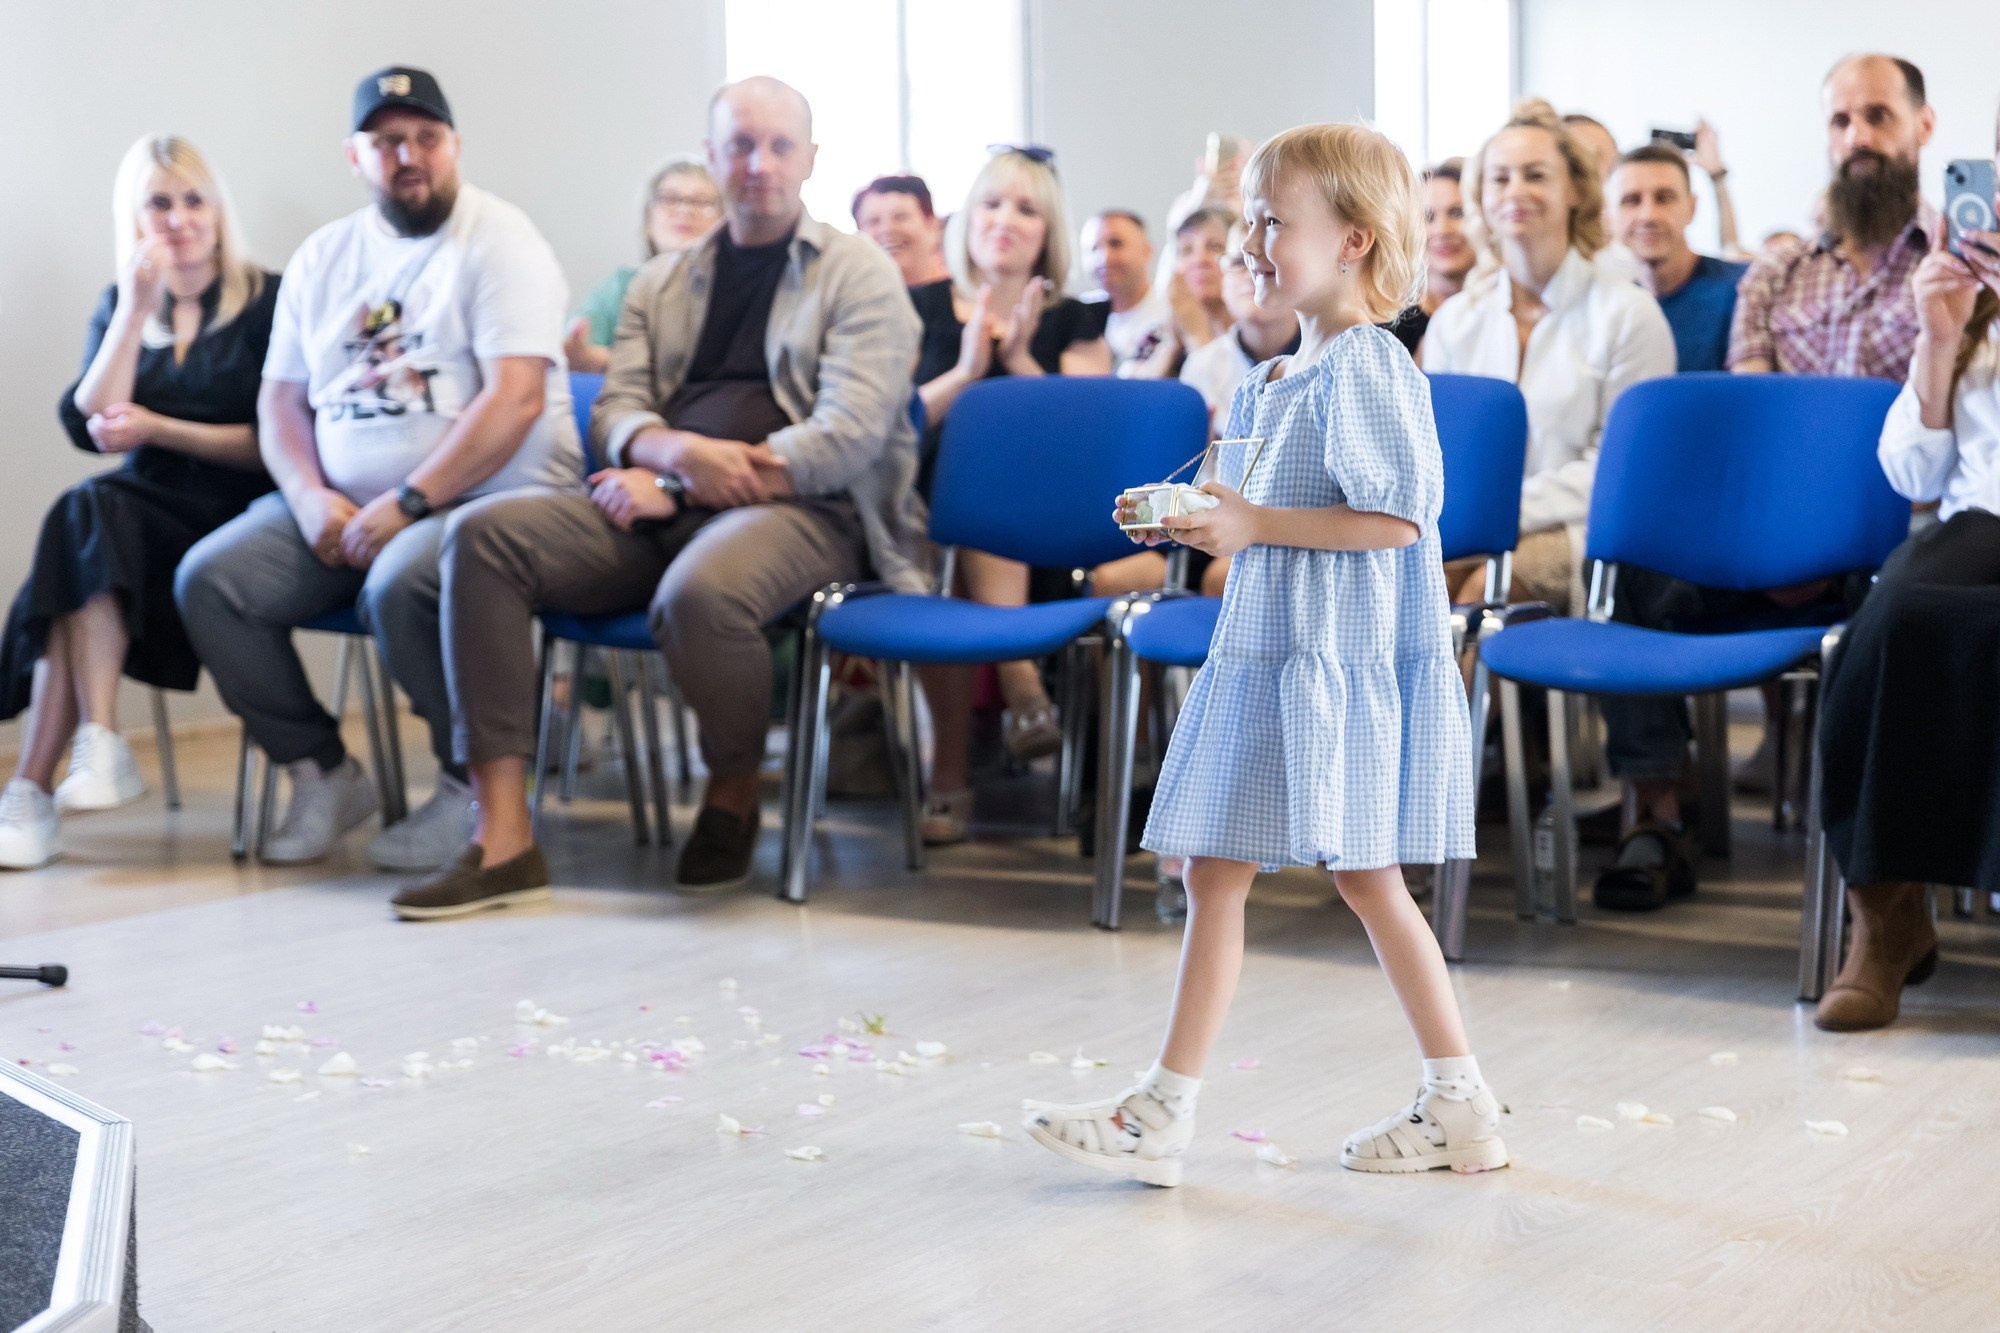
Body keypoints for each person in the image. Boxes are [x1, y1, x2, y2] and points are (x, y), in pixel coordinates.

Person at [1026, 123, 1499, 1187]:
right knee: (1210, 864)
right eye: (1247, 219)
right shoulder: (1278, 374)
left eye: (1273, 222)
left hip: (1333, 650)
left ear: (1356, 244)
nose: (1249, 242)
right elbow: (1262, 506)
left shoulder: (1371, 365)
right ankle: (1165, 1104)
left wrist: (1249, 527)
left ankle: (1457, 1097)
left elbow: (1397, 522)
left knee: (1368, 873)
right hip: (1273, 642)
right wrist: (1195, 517)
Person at [389, 76, 923, 917]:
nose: (759, 163)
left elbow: (845, 437)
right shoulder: (661, 282)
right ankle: (501, 837)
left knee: (701, 595)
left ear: (811, 160)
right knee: (482, 536)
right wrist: (666, 454)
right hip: (653, 502)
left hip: (803, 511)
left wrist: (678, 480)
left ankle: (734, 791)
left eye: (780, 145)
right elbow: (615, 409)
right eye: (740, 145)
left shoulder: (858, 276)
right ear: (711, 158)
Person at [176, 65, 582, 872]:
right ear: (354, 156)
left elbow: (515, 401)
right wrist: (308, 494)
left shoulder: (501, 240)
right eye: (387, 140)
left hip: (478, 502)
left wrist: (408, 499)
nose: (409, 155)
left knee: (402, 581)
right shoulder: (325, 257)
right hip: (343, 507)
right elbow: (280, 405)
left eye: (426, 138)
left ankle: (473, 784)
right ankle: (324, 772)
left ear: (454, 146)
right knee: (210, 580)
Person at [0, 137, 277, 869]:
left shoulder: (268, 299)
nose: (179, 219)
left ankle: (39, 782)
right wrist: (132, 312)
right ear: (135, 215)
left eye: (193, 200)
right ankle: (91, 747)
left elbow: (275, 445)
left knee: (78, 530)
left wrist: (159, 428)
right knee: (86, 517)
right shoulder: (124, 303)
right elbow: (87, 422)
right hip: (134, 522)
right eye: (159, 202)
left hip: (237, 513)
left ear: (219, 210)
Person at [1817, 114, 2000, 1030]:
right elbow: (1914, 474)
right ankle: (1885, 923)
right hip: (1981, 518)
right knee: (1892, 618)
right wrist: (1938, 338)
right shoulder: (1972, 288)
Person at [906, 147, 1112, 846]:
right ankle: (1023, 687)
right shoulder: (921, 306)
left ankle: (952, 776)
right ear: (967, 219)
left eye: (1026, 209)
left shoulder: (1077, 319)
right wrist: (966, 372)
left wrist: (1022, 361)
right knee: (950, 527)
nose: (1005, 221)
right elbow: (890, 423)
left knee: (977, 518)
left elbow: (1095, 433)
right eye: (992, 203)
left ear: (1048, 230)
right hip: (924, 520)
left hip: (1055, 527)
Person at [1422, 100, 1676, 616]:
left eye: (1536, 175)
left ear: (1575, 191)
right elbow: (1440, 449)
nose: (1516, 190)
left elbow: (1616, 469)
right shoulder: (1456, 320)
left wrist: (1505, 512)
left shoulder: (1628, 313)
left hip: (1584, 529)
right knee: (1402, 585)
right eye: (1500, 178)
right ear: (1482, 198)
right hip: (1471, 523)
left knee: (1481, 596)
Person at [1729, 54, 1938, 379]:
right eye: (1840, 122)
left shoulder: (1958, 266)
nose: (1857, 138)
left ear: (1924, 126)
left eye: (1878, 116)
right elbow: (1753, 411)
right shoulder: (1773, 274)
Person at [564, 157, 722, 374]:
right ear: (648, 220)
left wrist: (608, 363)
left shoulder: (733, 291)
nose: (685, 210)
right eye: (669, 199)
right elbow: (581, 351)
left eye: (702, 202)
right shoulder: (619, 288)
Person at [1609, 143, 1748, 372]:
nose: (1648, 215)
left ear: (1691, 208)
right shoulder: (1612, 312)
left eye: (1664, 198)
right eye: (1631, 200)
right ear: (1609, 216)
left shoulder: (1744, 291)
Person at [1123, 207, 1234, 379]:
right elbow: (1127, 395)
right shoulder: (1157, 335)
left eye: (1214, 247)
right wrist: (1173, 347)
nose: (1199, 260)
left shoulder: (1255, 333)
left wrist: (1196, 337)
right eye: (1186, 250)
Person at [1386, 159, 1475, 355]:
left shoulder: (1504, 317)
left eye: (1457, 213)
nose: (1442, 230)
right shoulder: (1389, 327)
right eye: (1428, 217)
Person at [1080, 209, 1168, 368]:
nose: (1103, 258)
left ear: (1146, 251)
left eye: (1116, 244)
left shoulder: (1170, 313)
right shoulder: (1078, 312)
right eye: (1093, 249)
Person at [852, 174, 949, 287]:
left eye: (900, 217)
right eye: (873, 221)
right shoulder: (853, 300)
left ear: (933, 225)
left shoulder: (965, 295)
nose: (887, 229)